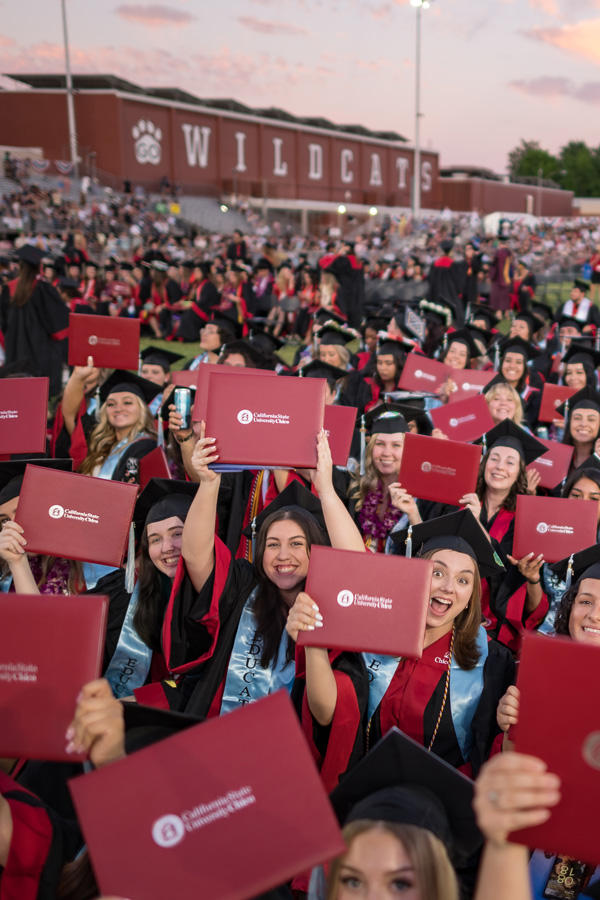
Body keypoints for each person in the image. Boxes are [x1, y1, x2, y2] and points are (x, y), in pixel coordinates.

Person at [152, 433, 368, 790]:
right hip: (214, 749)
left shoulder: (332, 608)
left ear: (316, 553)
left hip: (284, 770)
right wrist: (208, 483)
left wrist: (325, 489)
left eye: (297, 544)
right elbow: (195, 556)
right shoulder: (242, 586)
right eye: (272, 545)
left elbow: (358, 569)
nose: (284, 555)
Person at [496, 542, 600, 898]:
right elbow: (514, 768)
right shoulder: (541, 673)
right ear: (570, 608)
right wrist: (510, 726)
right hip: (539, 845)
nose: (595, 615)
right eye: (585, 602)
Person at [380, 510, 516, 776]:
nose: (449, 588)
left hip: (442, 802)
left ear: (471, 595)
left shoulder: (493, 663)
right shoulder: (374, 639)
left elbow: (488, 754)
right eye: (438, 573)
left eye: (463, 580)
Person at [58, 369, 160, 482]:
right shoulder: (96, 440)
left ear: (142, 409)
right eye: (111, 404)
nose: (118, 409)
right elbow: (70, 415)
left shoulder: (148, 447)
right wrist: (77, 376)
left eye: (127, 403)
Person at [0, 244, 69, 396]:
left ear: (20, 266)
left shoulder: (8, 289)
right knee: (38, 396)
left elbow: (3, 325)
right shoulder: (43, 289)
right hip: (41, 355)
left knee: (17, 395)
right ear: (39, 266)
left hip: (15, 354)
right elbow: (58, 327)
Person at [348, 407, 413, 553]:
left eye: (396, 445)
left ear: (408, 449)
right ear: (371, 448)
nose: (386, 452)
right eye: (380, 444)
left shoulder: (418, 497)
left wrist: (413, 514)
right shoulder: (355, 489)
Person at [558, 386, 600, 473]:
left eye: (591, 419)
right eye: (577, 418)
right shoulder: (556, 457)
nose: (583, 424)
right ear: (569, 423)